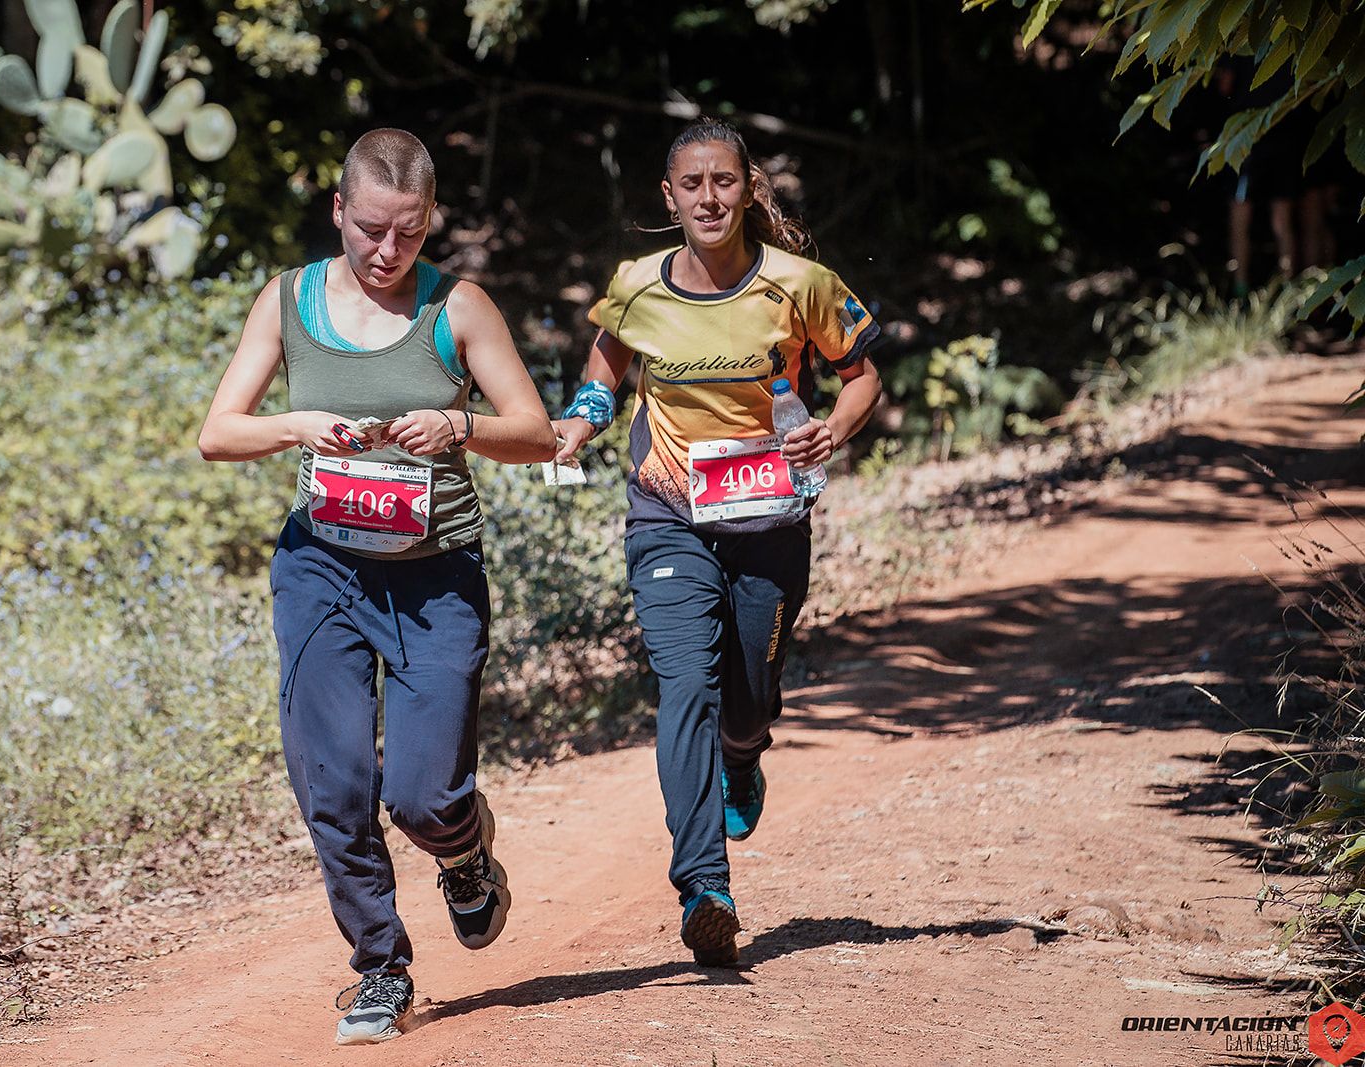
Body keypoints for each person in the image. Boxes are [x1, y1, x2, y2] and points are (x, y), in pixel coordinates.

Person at [198, 128, 556, 1044]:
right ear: (338, 213)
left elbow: (537, 433)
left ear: (429, 218)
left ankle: (465, 847)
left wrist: (459, 424)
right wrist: (299, 424)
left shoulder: (458, 306)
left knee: (422, 797)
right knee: (336, 779)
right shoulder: (286, 302)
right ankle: (380, 967)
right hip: (322, 568)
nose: (387, 252)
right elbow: (218, 432)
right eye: (368, 230)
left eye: (408, 232)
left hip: (436, 580)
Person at [553, 118, 883, 966]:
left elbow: (864, 376)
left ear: (748, 187)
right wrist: (586, 420)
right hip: (668, 514)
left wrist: (832, 433)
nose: (709, 197)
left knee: (745, 696)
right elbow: (605, 367)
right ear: (669, 198)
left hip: (769, 521)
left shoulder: (800, 284)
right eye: (691, 185)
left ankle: (746, 751)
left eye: (724, 182)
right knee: (685, 685)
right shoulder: (635, 286)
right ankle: (705, 884)